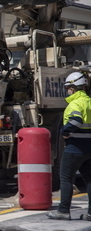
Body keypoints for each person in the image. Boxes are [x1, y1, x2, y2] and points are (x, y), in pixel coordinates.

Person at [46, 72, 91, 221]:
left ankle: (63, 211)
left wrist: (64, 132)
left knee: (65, 178)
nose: (67, 91)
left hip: (75, 148)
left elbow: (75, 121)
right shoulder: (89, 102)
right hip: (89, 148)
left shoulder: (75, 103)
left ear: (73, 88)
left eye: (68, 88)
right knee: (89, 180)